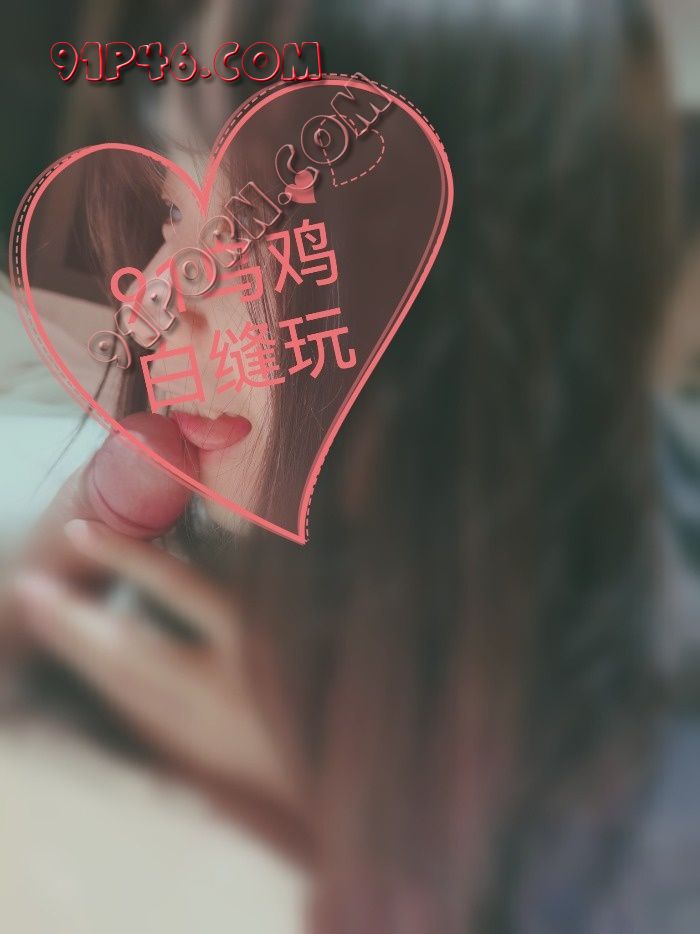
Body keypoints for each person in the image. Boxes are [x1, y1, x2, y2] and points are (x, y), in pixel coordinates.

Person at [7, 1, 698, 932]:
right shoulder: (190, 514)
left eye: (274, 227)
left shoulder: (646, 806)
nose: (154, 303)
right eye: (174, 205)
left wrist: (334, 846)